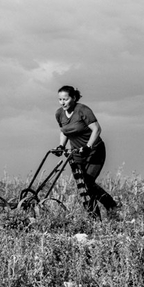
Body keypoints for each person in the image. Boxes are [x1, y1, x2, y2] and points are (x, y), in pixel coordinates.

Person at [54, 85, 117, 219]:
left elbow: (97, 129)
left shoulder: (83, 110)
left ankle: (111, 206)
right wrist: (61, 146)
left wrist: (88, 146)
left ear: (74, 98)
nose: (62, 102)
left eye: (65, 99)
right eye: (60, 99)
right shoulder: (59, 113)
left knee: (88, 183)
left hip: (94, 151)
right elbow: (64, 131)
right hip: (76, 154)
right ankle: (94, 219)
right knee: (82, 188)